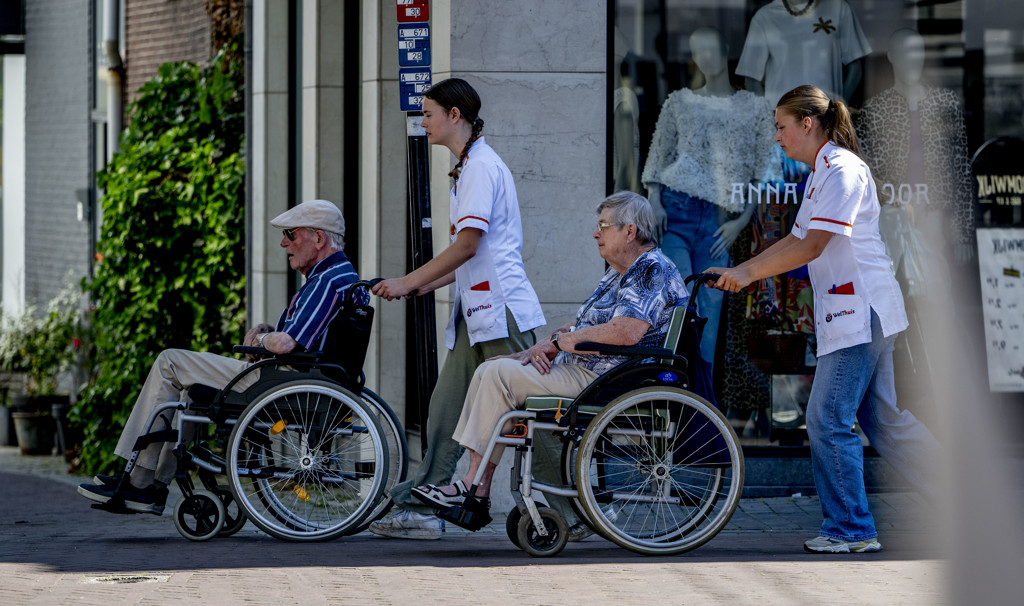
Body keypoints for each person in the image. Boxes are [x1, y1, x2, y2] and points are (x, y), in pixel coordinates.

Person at [706, 85, 941, 553]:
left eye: (781, 126)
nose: (777, 137)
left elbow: (812, 247)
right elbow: (795, 240)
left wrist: (745, 274)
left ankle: (851, 530)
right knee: (885, 421)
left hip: (860, 312)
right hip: (853, 310)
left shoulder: (842, 170)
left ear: (807, 124)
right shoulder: (821, 173)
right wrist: (742, 270)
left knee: (826, 418)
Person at [408, 192, 687, 522]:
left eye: (603, 226)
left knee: (497, 375)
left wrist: (566, 341)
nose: (595, 233)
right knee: (492, 367)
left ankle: (474, 487)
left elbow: (626, 332)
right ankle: (476, 488)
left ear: (629, 231)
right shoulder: (622, 270)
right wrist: (543, 345)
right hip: (592, 370)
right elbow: (588, 322)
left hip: (609, 378)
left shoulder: (649, 270)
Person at [78, 199, 363, 514]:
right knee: (188, 388)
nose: (284, 243)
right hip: (296, 378)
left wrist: (262, 337)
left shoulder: (326, 281)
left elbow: (284, 345)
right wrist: (269, 331)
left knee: (169, 361)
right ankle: (149, 482)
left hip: (280, 381)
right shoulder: (341, 277)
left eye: (290, 234)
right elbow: (302, 338)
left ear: (319, 239)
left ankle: (142, 480)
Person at [369, 78, 546, 540]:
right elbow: (470, 255)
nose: (422, 122)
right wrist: (420, 287)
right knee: (446, 409)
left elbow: (468, 246)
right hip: (478, 312)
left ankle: (567, 506)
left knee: (534, 414)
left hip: (501, 310)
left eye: (428, 114)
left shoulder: (481, 168)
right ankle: (427, 506)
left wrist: (411, 280)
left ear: (454, 116)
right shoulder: (468, 167)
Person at [641, 27, 778, 371]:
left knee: (712, 306)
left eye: (712, 49)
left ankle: (699, 395)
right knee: (679, 303)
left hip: (720, 219)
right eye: (697, 51)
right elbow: (659, 156)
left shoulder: (754, 107)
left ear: (726, 49)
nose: (706, 57)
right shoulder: (679, 101)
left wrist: (743, 219)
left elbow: (763, 168)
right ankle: (673, 387)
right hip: (677, 211)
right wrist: (655, 200)